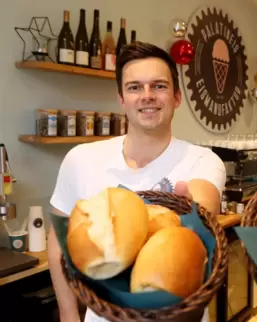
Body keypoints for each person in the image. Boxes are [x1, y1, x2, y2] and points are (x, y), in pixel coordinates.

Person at [47, 42, 226, 322]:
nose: (147, 96)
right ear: (121, 98)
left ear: (177, 97)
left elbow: (205, 203)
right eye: (134, 87)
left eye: (159, 86)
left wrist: (196, 209)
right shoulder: (81, 158)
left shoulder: (202, 159)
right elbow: (59, 239)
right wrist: (69, 315)